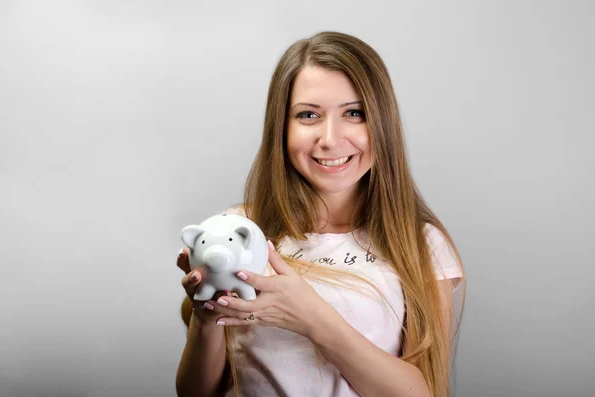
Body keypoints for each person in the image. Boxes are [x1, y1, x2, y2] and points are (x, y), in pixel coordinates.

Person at [175, 31, 466, 397]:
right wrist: (205, 316)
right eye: (308, 115)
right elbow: (197, 394)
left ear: (382, 124)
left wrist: (314, 319)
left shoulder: (420, 245)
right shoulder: (241, 229)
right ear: (282, 127)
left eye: (354, 113)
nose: (330, 138)